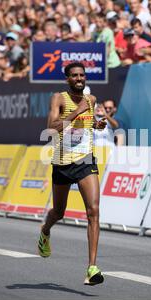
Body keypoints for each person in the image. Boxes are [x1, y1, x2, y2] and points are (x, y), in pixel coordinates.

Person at [38, 61, 107, 286]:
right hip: (62, 162)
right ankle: (45, 231)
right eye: (75, 76)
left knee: (93, 210)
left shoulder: (91, 99)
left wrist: (97, 125)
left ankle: (92, 268)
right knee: (59, 212)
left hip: (86, 160)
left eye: (82, 75)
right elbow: (50, 127)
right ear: (68, 79)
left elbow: (88, 123)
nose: (79, 78)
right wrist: (76, 112)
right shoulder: (59, 98)